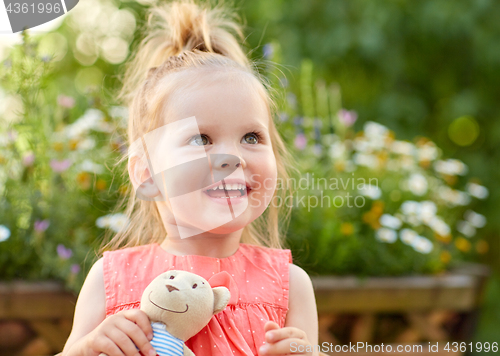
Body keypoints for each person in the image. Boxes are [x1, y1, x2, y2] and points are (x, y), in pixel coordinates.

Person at [61, 0, 318, 355]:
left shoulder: (290, 285)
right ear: (147, 173)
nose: (233, 158)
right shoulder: (110, 278)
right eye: (201, 139)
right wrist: (89, 348)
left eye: (251, 137)